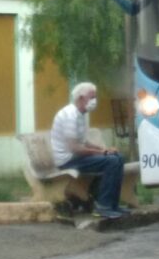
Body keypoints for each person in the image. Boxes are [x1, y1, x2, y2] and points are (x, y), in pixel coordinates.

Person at [49, 82, 127, 220]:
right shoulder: (70, 116)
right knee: (112, 162)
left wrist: (105, 149)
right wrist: (101, 153)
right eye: (91, 97)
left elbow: (84, 141)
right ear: (80, 98)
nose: (94, 101)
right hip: (68, 161)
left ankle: (113, 205)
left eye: (95, 97)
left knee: (118, 157)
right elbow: (75, 148)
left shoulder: (81, 115)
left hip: (75, 158)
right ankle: (103, 206)